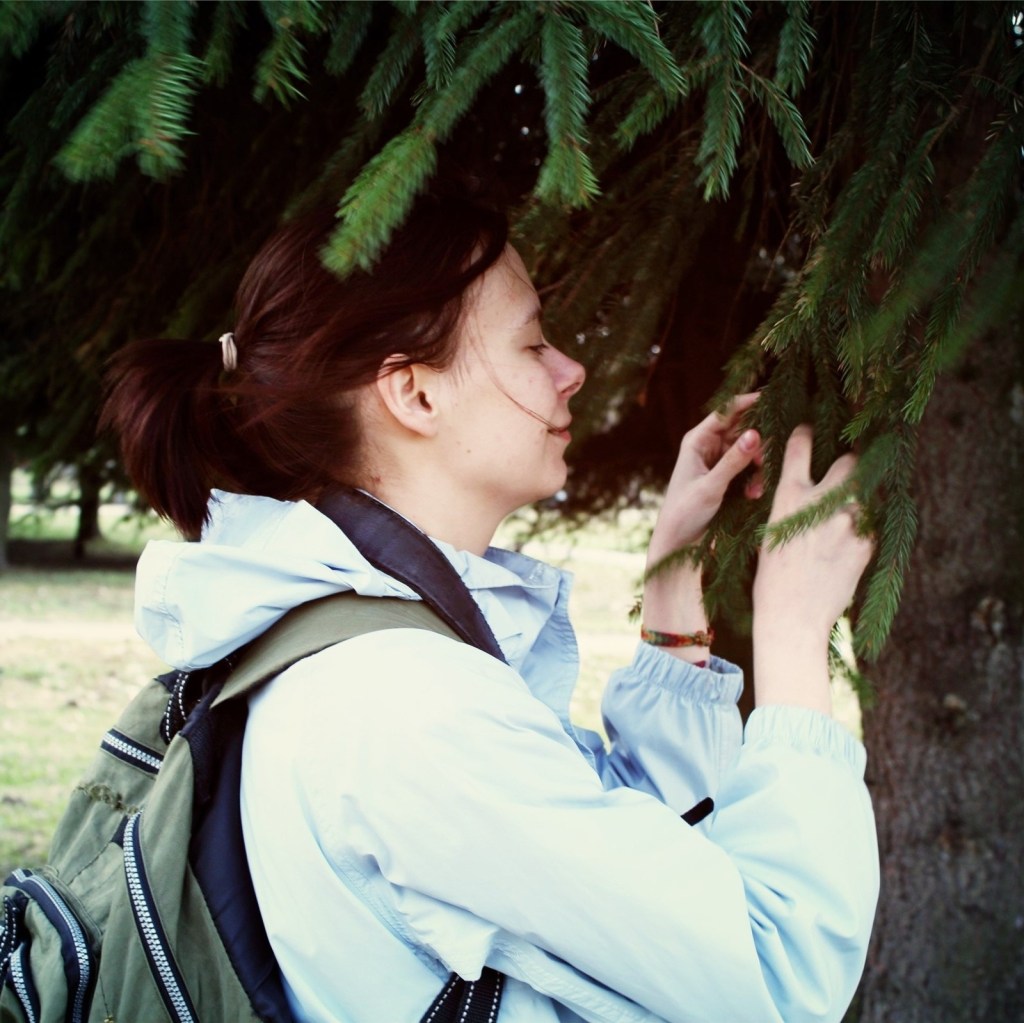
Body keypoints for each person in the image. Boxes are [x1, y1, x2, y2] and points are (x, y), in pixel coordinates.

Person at [102, 186, 878, 1023]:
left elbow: (643, 857)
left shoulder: (356, 640)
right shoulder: (406, 710)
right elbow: (781, 975)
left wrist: (673, 575)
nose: (570, 370)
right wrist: (795, 631)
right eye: (532, 343)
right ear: (415, 394)